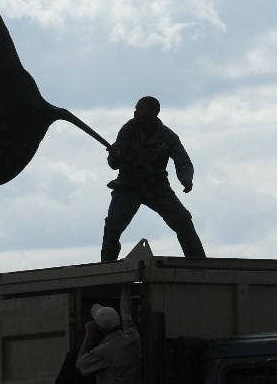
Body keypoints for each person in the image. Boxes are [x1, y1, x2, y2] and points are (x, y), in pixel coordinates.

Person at [101, 96, 205, 261]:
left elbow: (183, 161)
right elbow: (114, 164)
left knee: (183, 221)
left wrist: (186, 179)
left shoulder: (167, 136)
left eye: (141, 111)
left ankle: (200, 265)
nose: (136, 114)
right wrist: (115, 156)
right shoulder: (128, 129)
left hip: (157, 187)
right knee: (112, 228)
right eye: (135, 110)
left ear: (153, 114)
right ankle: (106, 267)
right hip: (128, 186)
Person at [76, 285, 141, 383]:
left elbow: (81, 365)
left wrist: (89, 334)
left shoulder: (104, 351)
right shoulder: (133, 339)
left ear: (100, 329)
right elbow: (126, 314)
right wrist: (124, 286)